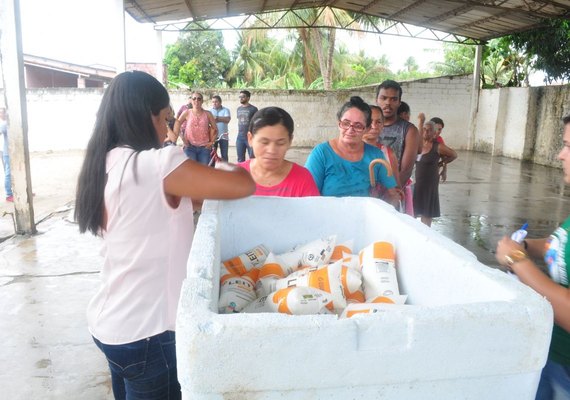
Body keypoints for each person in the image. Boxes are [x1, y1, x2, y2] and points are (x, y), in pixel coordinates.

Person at [74, 71, 255, 400]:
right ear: (148, 117)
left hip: (108, 322)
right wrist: (225, 164)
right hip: (149, 332)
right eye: (166, 119)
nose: (168, 130)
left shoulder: (104, 162)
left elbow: (179, 201)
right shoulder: (157, 164)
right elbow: (242, 186)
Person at [496, 114, 570, 400]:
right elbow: (558, 247)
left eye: (567, 146)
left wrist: (518, 261)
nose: (560, 154)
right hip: (551, 354)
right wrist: (527, 246)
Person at [305, 96, 398, 205]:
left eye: (358, 126)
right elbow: (308, 197)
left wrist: (380, 213)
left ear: (367, 129)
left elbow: (393, 194)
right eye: (346, 123)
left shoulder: (375, 155)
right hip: (328, 218)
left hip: (365, 219)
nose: (350, 130)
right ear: (339, 124)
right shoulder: (321, 154)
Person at [239, 107, 319, 197]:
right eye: (264, 142)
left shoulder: (303, 179)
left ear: (290, 141)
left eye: (280, 143)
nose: (272, 150)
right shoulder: (234, 176)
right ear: (250, 139)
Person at [377, 80, 420, 213]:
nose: (388, 103)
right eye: (383, 98)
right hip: (370, 189)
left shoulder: (409, 130)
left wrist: (391, 195)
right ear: (377, 100)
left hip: (395, 190)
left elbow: (406, 169)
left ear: (399, 102)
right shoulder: (367, 127)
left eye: (393, 99)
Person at [413, 121, 457, 227]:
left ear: (434, 133)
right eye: (424, 129)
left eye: (429, 130)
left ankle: (426, 235)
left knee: (427, 211)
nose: (426, 132)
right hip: (417, 181)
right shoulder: (417, 145)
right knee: (413, 208)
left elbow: (453, 155)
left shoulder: (438, 147)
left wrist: (441, 164)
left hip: (430, 183)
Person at [174, 92, 217, 165]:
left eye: (199, 99)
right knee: (191, 171)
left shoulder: (208, 114)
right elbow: (177, 124)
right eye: (194, 98)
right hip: (190, 147)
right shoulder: (187, 112)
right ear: (191, 100)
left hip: (204, 148)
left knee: (203, 172)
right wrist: (183, 138)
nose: (196, 100)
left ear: (202, 101)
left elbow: (215, 129)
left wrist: (211, 142)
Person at [236, 90, 258, 162]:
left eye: (243, 97)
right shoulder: (238, 109)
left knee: (252, 159)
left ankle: (252, 173)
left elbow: (256, 123)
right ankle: (241, 173)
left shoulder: (253, 109)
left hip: (250, 137)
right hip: (240, 137)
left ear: (248, 98)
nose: (241, 98)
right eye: (240, 97)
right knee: (240, 159)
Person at [210, 95, 231, 162]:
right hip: (213, 136)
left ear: (220, 102)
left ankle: (225, 170)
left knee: (224, 155)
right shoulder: (209, 111)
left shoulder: (226, 110)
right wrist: (221, 119)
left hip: (224, 136)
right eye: (213, 102)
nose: (214, 103)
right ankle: (212, 170)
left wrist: (216, 118)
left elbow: (227, 119)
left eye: (216, 102)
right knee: (212, 155)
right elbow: (209, 122)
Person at [0, 108, 13, 202]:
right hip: (7, 153)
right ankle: (9, 195)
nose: (3, 114)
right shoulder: (4, 125)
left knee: (21, 171)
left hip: (15, 152)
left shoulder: (12, 124)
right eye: (1, 113)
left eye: (3, 112)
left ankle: (23, 190)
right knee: (8, 173)